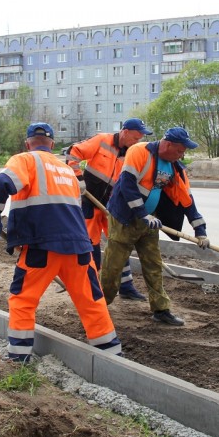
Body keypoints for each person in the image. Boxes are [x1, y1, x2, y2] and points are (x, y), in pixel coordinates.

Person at [0, 122, 122, 363]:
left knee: (23, 300)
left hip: (41, 247)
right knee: (92, 302)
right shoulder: (67, 170)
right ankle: (113, 357)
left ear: (28, 143)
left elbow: (0, 183)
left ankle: (18, 359)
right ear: (52, 144)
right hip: (79, 248)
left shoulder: (26, 159)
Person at [100, 127, 209, 326]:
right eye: (180, 150)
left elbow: (187, 200)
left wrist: (200, 230)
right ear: (168, 144)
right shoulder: (139, 151)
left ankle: (161, 309)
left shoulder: (176, 167)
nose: (182, 154)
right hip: (125, 219)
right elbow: (127, 185)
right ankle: (98, 308)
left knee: (154, 265)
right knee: (112, 267)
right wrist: (143, 214)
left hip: (150, 222)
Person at [65, 118, 152, 301]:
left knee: (119, 243)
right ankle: (93, 286)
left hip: (112, 206)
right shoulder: (102, 140)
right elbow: (73, 153)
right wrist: (78, 179)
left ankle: (126, 286)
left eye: (140, 139)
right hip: (90, 201)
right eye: (135, 137)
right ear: (125, 131)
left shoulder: (132, 153)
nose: (137, 142)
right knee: (91, 243)